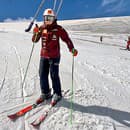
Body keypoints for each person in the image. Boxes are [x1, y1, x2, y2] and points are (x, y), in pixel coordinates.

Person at [32, 8, 78, 105]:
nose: (48, 20)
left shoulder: (58, 29)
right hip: (43, 56)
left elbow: (66, 39)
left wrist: (72, 49)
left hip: (54, 56)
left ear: (54, 18)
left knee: (54, 75)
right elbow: (35, 40)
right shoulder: (41, 28)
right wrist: (35, 32)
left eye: (50, 18)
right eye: (46, 18)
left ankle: (57, 94)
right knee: (42, 74)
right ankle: (46, 93)